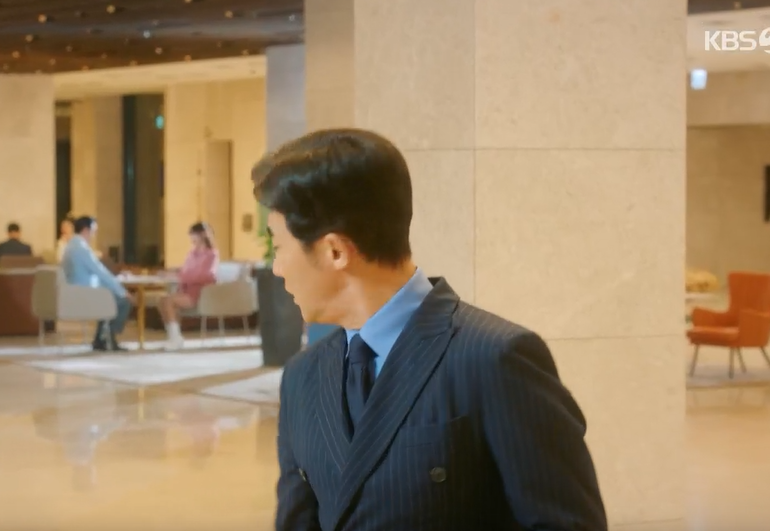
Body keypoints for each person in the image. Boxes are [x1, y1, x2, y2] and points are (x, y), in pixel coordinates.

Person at [254, 129, 607, 531]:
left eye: (279, 247)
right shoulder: (302, 377)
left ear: (334, 251)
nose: (277, 268)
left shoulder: (496, 358)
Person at [60, 216, 134, 351]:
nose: (94, 235)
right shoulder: (81, 248)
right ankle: (108, 337)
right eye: (94, 231)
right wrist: (122, 291)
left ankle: (100, 339)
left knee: (108, 296)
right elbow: (100, 272)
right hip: (84, 294)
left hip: (74, 292)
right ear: (86, 230)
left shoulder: (71, 246)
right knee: (123, 301)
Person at [158, 222, 219, 350]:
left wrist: (183, 277)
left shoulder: (212, 255)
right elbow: (184, 272)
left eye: (193, 235)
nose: (191, 238)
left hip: (200, 293)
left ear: (202, 235)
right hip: (186, 290)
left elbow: (208, 276)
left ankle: (176, 339)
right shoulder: (192, 254)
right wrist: (171, 274)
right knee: (162, 300)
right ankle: (174, 337)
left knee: (168, 301)